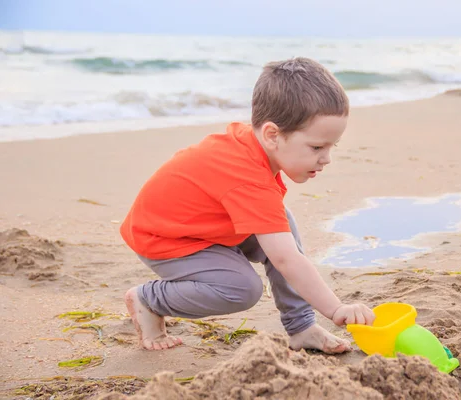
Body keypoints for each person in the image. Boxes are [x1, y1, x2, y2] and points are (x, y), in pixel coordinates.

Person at [120, 57, 376, 353]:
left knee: (283, 224)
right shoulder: (247, 176)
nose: (326, 158)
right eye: (317, 147)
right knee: (241, 288)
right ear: (272, 135)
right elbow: (286, 261)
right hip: (166, 237)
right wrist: (336, 309)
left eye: (333, 146)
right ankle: (148, 300)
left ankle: (301, 327)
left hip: (209, 224)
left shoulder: (255, 147)